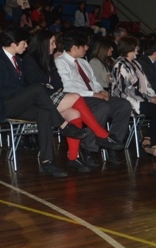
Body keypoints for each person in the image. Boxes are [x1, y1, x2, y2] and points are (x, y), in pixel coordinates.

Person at [0, 27, 89, 177]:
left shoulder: (17, 61)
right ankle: (63, 125)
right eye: (23, 43)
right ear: (13, 44)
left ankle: (47, 162)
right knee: (37, 88)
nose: (26, 46)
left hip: (15, 103)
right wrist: (24, 94)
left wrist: (25, 95)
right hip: (0, 105)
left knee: (43, 113)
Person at [24, 30, 117, 172]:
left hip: (52, 97)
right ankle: (101, 133)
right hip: (38, 101)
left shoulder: (49, 59)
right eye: (52, 43)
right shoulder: (30, 60)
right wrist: (49, 86)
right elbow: (34, 85)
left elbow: (58, 83)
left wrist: (48, 85)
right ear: (43, 43)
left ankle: (73, 158)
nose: (55, 46)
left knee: (75, 114)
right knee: (76, 97)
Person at [55, 30, 131, 165]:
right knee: (101, 107)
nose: (87, 48)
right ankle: (88, 148)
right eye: (84, 45)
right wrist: (93, 94)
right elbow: (67, 87)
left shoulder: (83, 62)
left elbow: (94, 82)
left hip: (93, 95)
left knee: (123, 105)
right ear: (75, 47)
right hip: (77, 98)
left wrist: (101, 91)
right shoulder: (60, 62)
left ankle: (112, 145)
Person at [111, 36, 156, 155]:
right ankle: (151, 142)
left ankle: (148, 139)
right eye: (136, 47)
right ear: (130, 48)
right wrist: (150, 99)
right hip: (127, 101)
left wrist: (153, 96)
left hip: (142, 99)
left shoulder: (136, 63)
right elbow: (128, 90)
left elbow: (146, 84)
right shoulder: (120, 65)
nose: (138, 50)